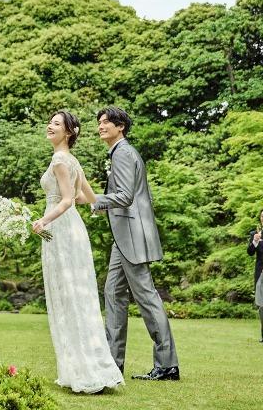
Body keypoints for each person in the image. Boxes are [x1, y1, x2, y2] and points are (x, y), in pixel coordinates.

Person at [32, 111, 124, 394]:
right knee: (78, 297)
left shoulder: (61, 160)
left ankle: (83, 371)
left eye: (56, 124)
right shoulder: (73, 162)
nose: (50, 126)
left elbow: (70, 200)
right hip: (73, 230)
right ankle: (88, 368)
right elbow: (89, 199)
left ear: (69, 132)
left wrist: (43, 220)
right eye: (50, 122)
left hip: (60, 228)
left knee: (67, 297)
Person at [89, 106, 180, 381]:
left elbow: (126, 196)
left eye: (108, 122)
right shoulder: (119, 152)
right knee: (113, 294)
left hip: (131, 236)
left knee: (146, 297)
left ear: (121, 127)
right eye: (100, 122)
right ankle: (112, 363)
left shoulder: (124, 153)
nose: (102, 126)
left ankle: (167, 365)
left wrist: (94, 199)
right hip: (123, 238)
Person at [247, 208, 263, 343]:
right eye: (262, 216)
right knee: (261, 305)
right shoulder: (255, 234)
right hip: (260, 274)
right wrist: (255, 242)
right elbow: (250, 252)